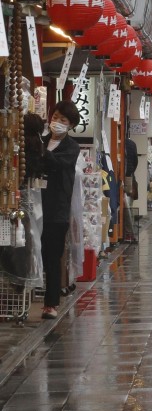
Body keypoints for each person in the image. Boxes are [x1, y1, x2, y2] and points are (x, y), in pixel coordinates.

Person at [40, 101, 82, 320]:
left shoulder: (71, 148)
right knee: (35, 251)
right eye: (55, 117)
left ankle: (51, 303)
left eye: (62, 120)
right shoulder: (42, 141)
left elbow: (56, 165)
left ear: (71, 125)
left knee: (52, 256)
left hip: (57, 209)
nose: (56, 122)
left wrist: (39, 149)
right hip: (37, 205)